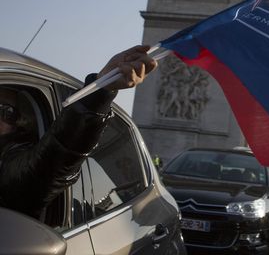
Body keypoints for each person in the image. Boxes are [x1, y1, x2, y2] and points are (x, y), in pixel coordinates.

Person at [0, 45, 157, 218]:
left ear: (17, 123)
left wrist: (98, 94)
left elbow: (45, 168)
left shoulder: (9, 161)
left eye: (5, 112)